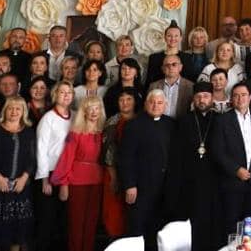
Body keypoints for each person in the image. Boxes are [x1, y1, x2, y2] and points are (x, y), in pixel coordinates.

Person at [167, 82, 222, 251]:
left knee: (213, 222)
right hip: (188, 180)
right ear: (193, 99)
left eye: (205, 96)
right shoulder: (184, 121)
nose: (202, 100)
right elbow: (176, 154)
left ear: (212, 98)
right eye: (198, 97)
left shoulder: (220, 120)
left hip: (214, 180)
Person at [0, 97, 36, 251]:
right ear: (5, 110)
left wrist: (24, 178)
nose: (14, 112)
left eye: (18, 109)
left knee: (17, 234)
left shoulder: (29, 132)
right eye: (10, 108)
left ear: (23, 112)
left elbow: (32, 160)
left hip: (19, 188)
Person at [119, 90, 176, 251]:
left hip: (164, 188)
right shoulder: (134, 125)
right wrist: (130, 185)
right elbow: (126, 158)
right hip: (141, 187)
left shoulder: (171, 124)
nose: (155, 106)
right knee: (138, 229)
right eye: (152, 102)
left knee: (159, 229)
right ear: (145, 104)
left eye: (159, 103)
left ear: (165, 105)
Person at [50, 95, 105, 251]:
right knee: (76, 222)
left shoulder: (102, 133)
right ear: (84, 112)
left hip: (97, 181)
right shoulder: (75, 133)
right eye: (90, 108)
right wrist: (63, 184)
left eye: (97, 108)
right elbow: (66, 159)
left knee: (91, 222)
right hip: (77, 182)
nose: (94, 112)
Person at [213, 83, 251, 238]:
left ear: (250, 98)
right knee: (231, 225)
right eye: (236, 95)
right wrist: (236, 170)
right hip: (232, 182)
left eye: (243, 95)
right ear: (231, 99)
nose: (240, 98)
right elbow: (218, 151)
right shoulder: (222, 120)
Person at [35, 81, 75, 251]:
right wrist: (45, 179)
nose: (66, 95)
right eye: (62, 92)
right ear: (55, 95)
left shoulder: (75, 116)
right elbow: (41, 149)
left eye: (69, 92)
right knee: (48, 219)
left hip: (70, 172)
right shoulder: (48, 118)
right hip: (51, 173)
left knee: (64, 219)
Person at [101, 88, 139, 238]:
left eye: (129, 99)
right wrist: (114, 176)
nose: (125, 103)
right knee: (114, 212)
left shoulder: (140, 119)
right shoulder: (112, 122)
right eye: (121, 100)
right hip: (114, 172)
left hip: (135, 173)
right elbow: (108, 151)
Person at [148, 54, 195, 118]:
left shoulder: (191, 86)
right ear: (163, 68)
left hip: (181, 122)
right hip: (159, 122)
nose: (170, 67)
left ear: (180, 67)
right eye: (167, 65)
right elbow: (148, 107)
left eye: (174, 64)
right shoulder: (153, 86)